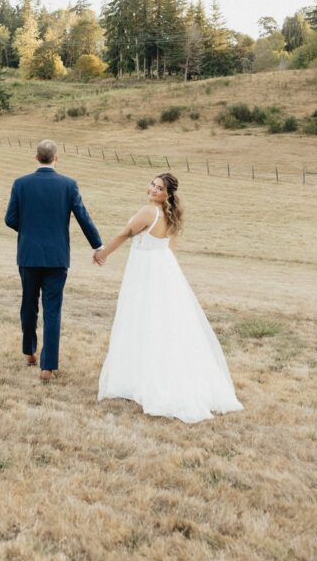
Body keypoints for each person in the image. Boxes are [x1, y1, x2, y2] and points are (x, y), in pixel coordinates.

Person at [95, 172, 243, 423]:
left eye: (159, 187)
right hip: (162, 269)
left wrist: (103, 254)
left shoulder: (149, 212)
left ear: (167, 194)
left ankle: (150, 379)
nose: (153, 189)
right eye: (152, 184)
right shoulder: (170, 216)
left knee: (145, 320)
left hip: (146, 271)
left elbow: (124, 234)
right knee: (163, 322)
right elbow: (169, 248)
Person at [4, 139, 103, 382]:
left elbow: (10, 219)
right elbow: (83, 216)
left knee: (29, 304)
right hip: (57, 256)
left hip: (28, 255)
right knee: (52, 308)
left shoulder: (21, 184)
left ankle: (29, 352)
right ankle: (47, 367)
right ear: (56, 158)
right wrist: (97, 244)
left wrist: (28, 231)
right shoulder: (68, 184)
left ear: (36, 158)